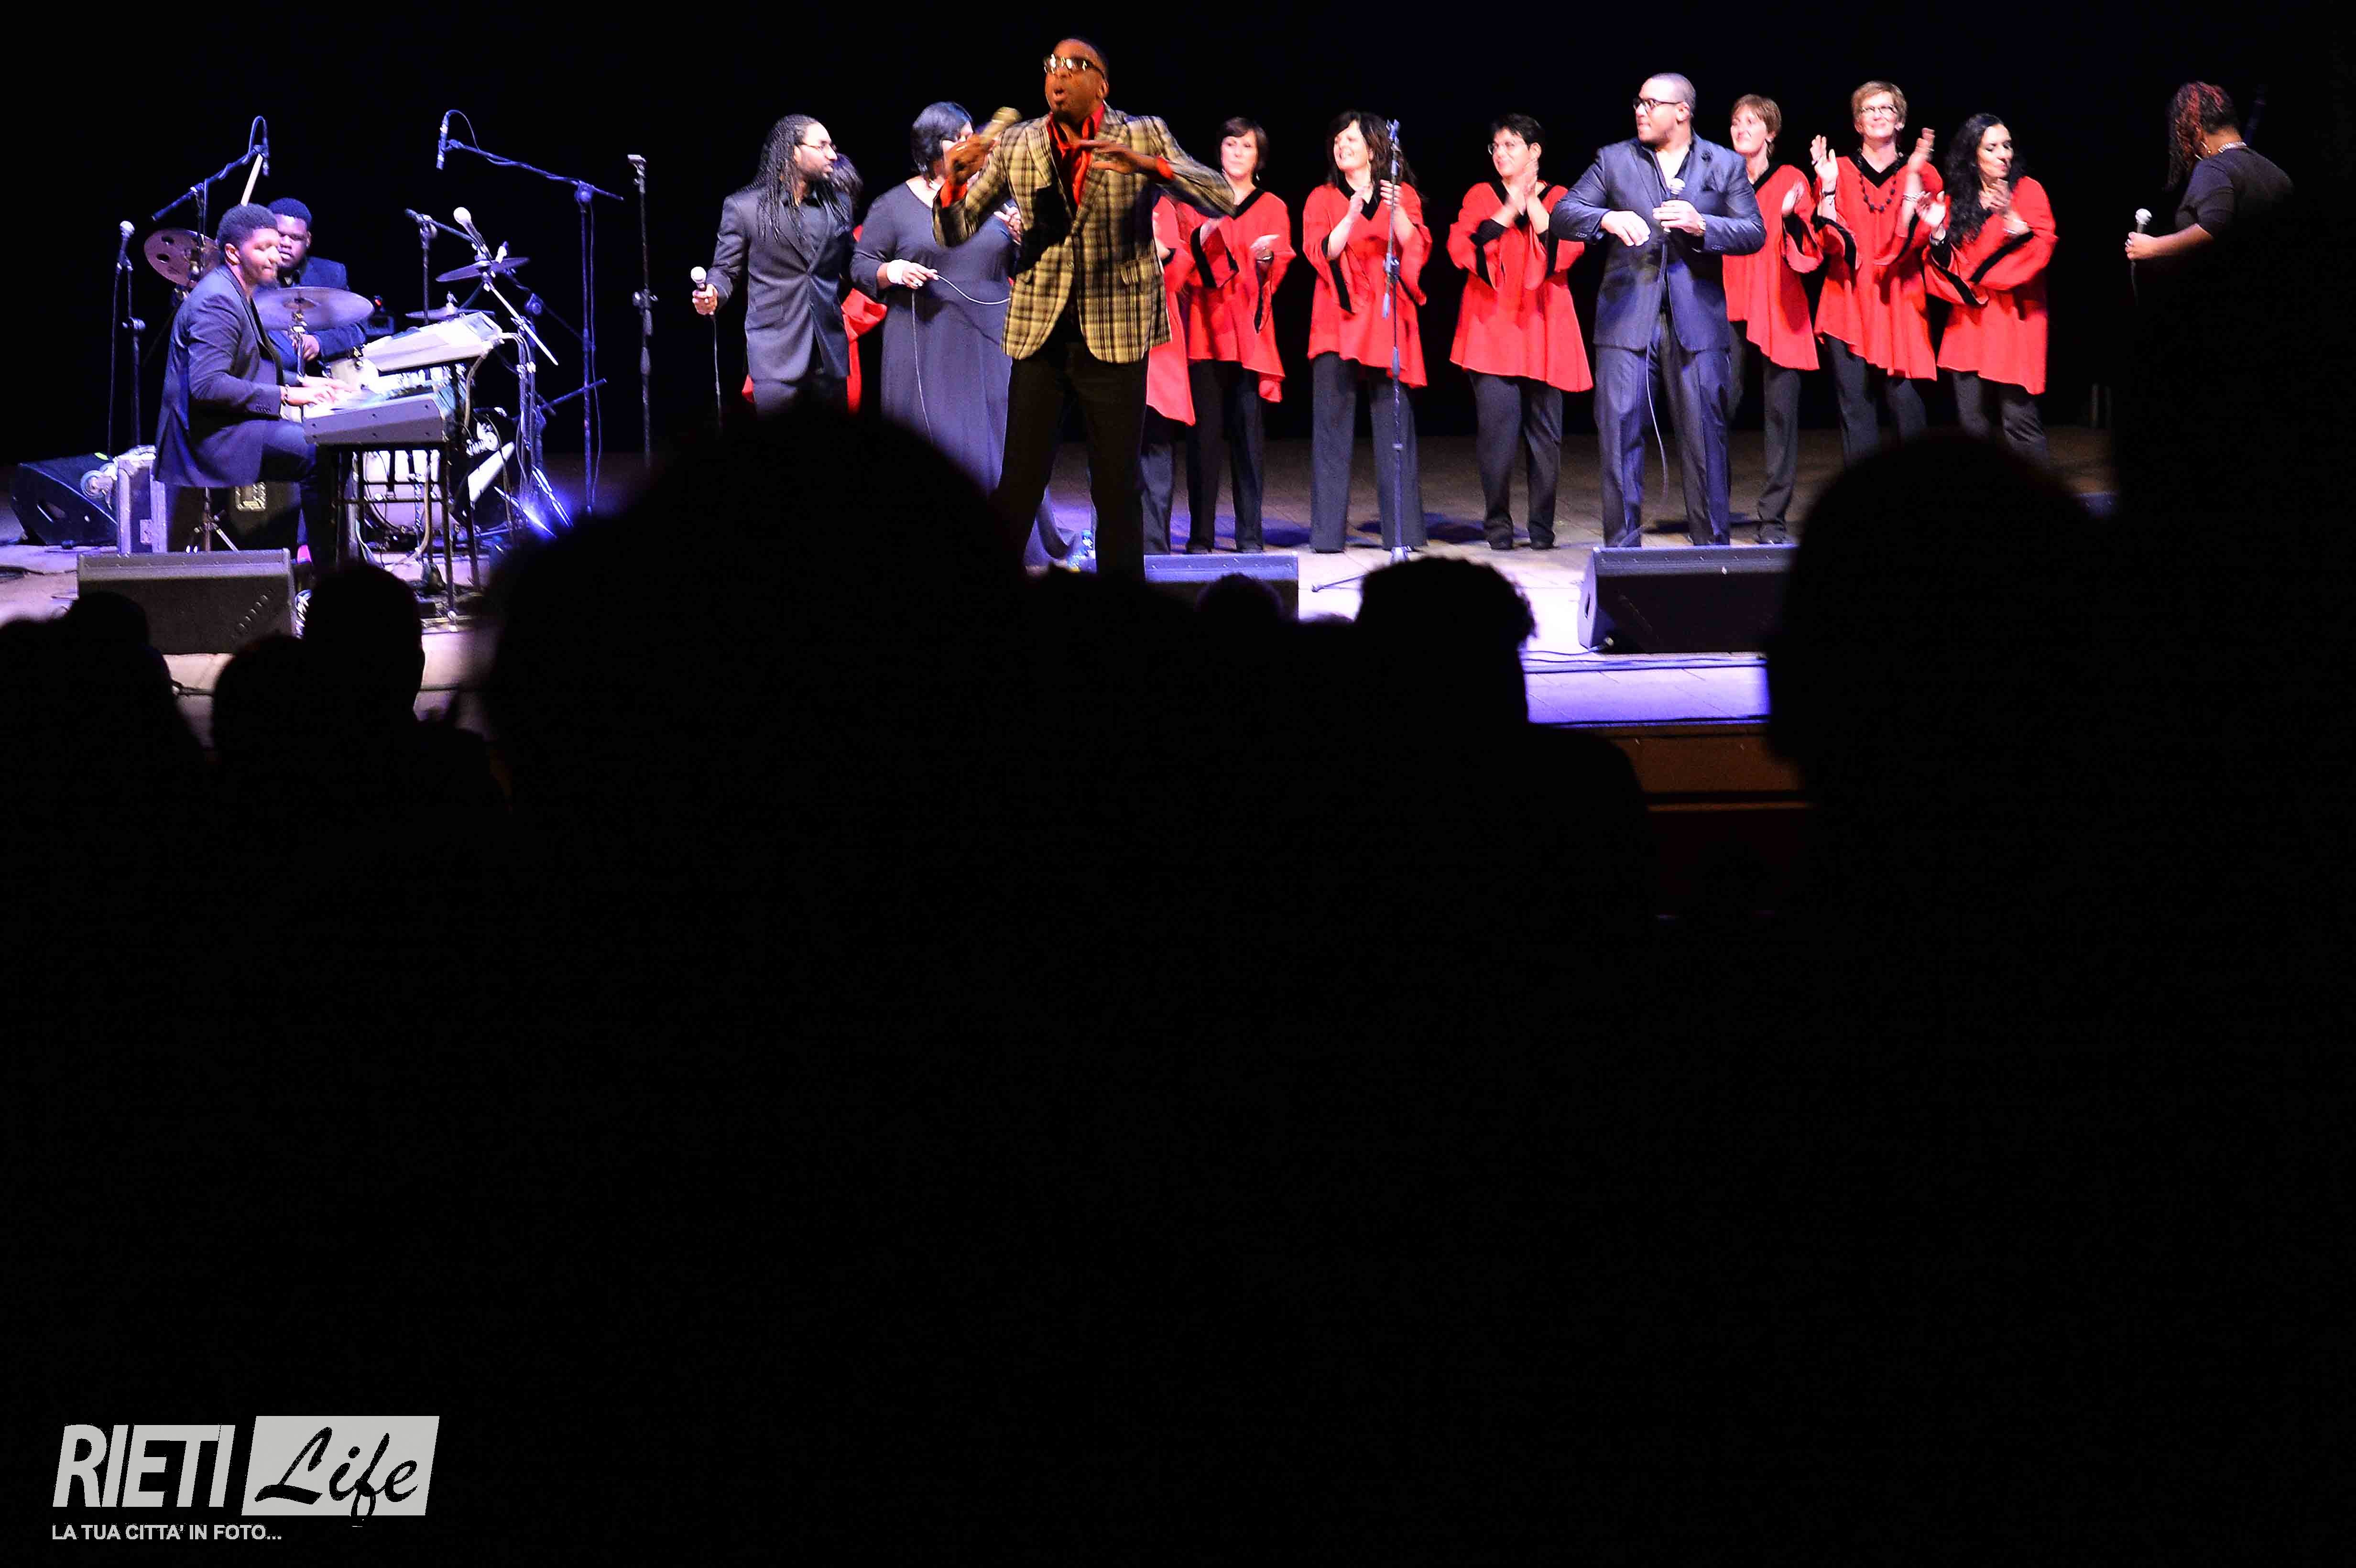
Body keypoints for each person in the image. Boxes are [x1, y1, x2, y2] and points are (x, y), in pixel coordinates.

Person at [934, 38, 1233, 577]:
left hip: (1115, 332)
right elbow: (952, 232)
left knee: (1117, 487)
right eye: (1052, 66)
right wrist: (954, 181)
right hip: (1040, 334)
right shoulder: (1018, 141)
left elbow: (1221, 196)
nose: (1059, 75)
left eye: (1075, 66)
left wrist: (1151, 167)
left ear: (1102, 84)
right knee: (1020, 481)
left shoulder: (1142, 132)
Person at [1549, 74, 1764, 548]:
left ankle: (1713, 554)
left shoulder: (1723, 163)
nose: (1640, 111)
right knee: (1619, 438)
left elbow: (1753, 231)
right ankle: (1622, 556)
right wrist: (1605, 217)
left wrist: (1702, 224)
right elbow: (1563, 213)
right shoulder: (1615, 159)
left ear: (1682, 111)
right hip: (1627, 320)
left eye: (1651, 103)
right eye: (1638, 103)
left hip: (1698, 324)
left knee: (1706, 441)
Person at [851, 101, 1063, 554]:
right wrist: (893, 271)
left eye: (973, 135)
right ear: (935, 145)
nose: (973, 143)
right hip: (925, 335)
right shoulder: (893, 205)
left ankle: (1006, 541)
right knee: (936, 439)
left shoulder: (996, 197)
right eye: (962, 136)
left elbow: (1029, 267)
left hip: (992, 336)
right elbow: (861, 265)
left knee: (1003, 435)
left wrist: (1026, 239)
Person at [153, 203, 346, 564]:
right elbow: (208, 386)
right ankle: (327, 572)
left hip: (225, 425)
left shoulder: (238, 291)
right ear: (232, 253)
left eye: (276, 246)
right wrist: (287, 395)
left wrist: (308, 382)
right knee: (318, 452)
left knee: (329, 446)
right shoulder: (217, 300)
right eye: (263, 248)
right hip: (207, 437)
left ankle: (327, 562)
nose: (275, 255)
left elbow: (250, 367)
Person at [1448, 114, 1589, 551]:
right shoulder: (1480, 195)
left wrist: (1532, 201)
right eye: (1496, 146)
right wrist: (1511, 206)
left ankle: (1542, 527)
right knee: (1497, 437)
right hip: (1492, 329)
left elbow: (1566, 247)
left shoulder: (1561, 197)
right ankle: (1498, 525)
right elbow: (1465, 245)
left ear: (1535, 151)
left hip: (1544, 328)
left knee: (1546, 438)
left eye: (1511, 145)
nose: (1501, 153)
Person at [1302, 110, 1430, 553]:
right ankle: (1326, 537)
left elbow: (1415, 246)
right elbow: (1322, 251)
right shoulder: (1322, 197)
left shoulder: (1401, 193)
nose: (1342, 146)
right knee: (1330, 428)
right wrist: (1352, 214)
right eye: (1338, 140)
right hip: (1337, 319)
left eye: (1351, 140)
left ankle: (1403, 533)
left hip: (1385, 319)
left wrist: (1396, 213)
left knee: (1395, 427)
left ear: (1375, 149)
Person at [1810, 82, 1942, 464]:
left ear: (1900, 121)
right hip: (1847, 299)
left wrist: (1913, 176)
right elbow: (1830, 242)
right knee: (1855, 407)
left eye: (1887, 108)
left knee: (1907, 405)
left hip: (1900, 299)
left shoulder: (1924, 173)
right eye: (1869, 109)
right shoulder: (1837, 170)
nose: (1878, 115)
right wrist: (1828, 188)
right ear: (1857, 123)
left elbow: (1914, 238)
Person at [693, 115, 862, 414]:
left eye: (832, 147)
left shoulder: (838, 205)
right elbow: (726, 269)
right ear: (793, 152)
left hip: (828, 354)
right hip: (776, 355)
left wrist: (890, 272)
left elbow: (854, 265)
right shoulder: (745, 208)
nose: (832, 155)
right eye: (822, 146)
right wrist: (714, 294)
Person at [1177, 117, 1292, 553]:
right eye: (1230, 144)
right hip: (1206, 332)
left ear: (1258, 157)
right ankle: (1201, 535)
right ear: (1220, 151)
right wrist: (1203, 234)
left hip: (1249, 334)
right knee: (1203, 440)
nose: (1238, 152)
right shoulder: (1198, 199)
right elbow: (1184, 262)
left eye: (1246, 146)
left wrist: (1265, 261)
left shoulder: (1273, 206)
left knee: (1248, 439)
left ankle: (1249, 534)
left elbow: (1277, 269)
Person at [1925, 115, 2056, 463]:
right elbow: (1948, 266)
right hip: (1969, 320)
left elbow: (2040, 250)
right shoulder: (1956, 201)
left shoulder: (2028, 191)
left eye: (2007, 146)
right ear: (1973, 155)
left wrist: (2012, 218)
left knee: (2019, 420)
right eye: (1992, 147)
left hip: (2014, 318)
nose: (2003, 154)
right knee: (1971, 423)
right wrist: (1937, 235)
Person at [1721, 95, 1819, 544]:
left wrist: (1788, 219)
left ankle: (1773, 519)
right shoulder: (1721, 178)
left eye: (1752, 122)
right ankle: (1713, 511)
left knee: (1781, 414)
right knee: (1719, 406)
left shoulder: (1791, 179)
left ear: (1771, 133)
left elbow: (1810, 250)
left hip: (1778, 304)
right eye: (1736, 122)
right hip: (1727, 302)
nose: (1741, 129)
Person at [2125, 83, 2294, 267]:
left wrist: (2154, 247)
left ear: (2198, 132)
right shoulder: (2277, 174)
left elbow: (2214, 226)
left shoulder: (2213, 167)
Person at [1140, 193, 1197, 553]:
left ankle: (1155, 543)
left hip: (1159, 345)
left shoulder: (1162, 207)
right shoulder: (1097, 199)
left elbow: (1176, 277)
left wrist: (1164, 253)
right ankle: (1113, 540)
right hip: (1111, 337)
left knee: (1156, 444)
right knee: (1112, 449)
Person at [264, 198, 371, 370]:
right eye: (280, 235)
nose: (286, 243)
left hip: (318, 376)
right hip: (266, 376)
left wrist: (319, 342)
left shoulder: (330, 274)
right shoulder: (250, 277)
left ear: (308, 240)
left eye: (296, 238)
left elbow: (356, 329)